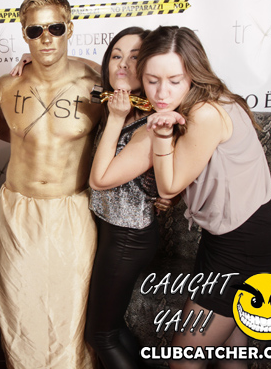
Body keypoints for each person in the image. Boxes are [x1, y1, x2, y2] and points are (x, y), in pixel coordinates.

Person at [139, 26, 271, 368]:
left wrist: (161, 132)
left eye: (174, 80)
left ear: (193, 73)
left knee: (184, 360)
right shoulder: (215, 99)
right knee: (231, 356)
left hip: (241, 248)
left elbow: (169, 187)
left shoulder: (205, 113)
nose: (161, 92)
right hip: (231, 239)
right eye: (151, 80)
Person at [0, 0, 103, 368]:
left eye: (55, 28)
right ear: (24, 35)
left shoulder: (96, 85)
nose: (46, 39)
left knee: (71, 313)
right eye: (35, 31)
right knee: (19, 311)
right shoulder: (5, 87)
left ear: (69, 28)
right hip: (16, 211)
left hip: (72, 210)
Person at [85, 26, 167, 369]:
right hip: (110, 230)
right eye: (116, 55)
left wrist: (116, 118)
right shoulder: (119, 106)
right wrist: (29, 59)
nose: (122, 64)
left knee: (100, 334)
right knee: (113, 328)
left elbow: (100, 180)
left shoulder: (151, 123)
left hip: (128, 237)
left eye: (134, 57)